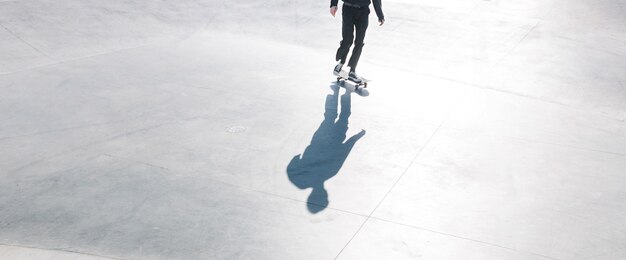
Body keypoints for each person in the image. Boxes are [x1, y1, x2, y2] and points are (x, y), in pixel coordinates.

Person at [330, 0, 384, 83]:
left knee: (359, 42)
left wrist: (380, 15)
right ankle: (341, 62)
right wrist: (333, 4)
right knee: (347, 40)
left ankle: (352, 70)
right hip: (348, 9)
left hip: (363, 11)